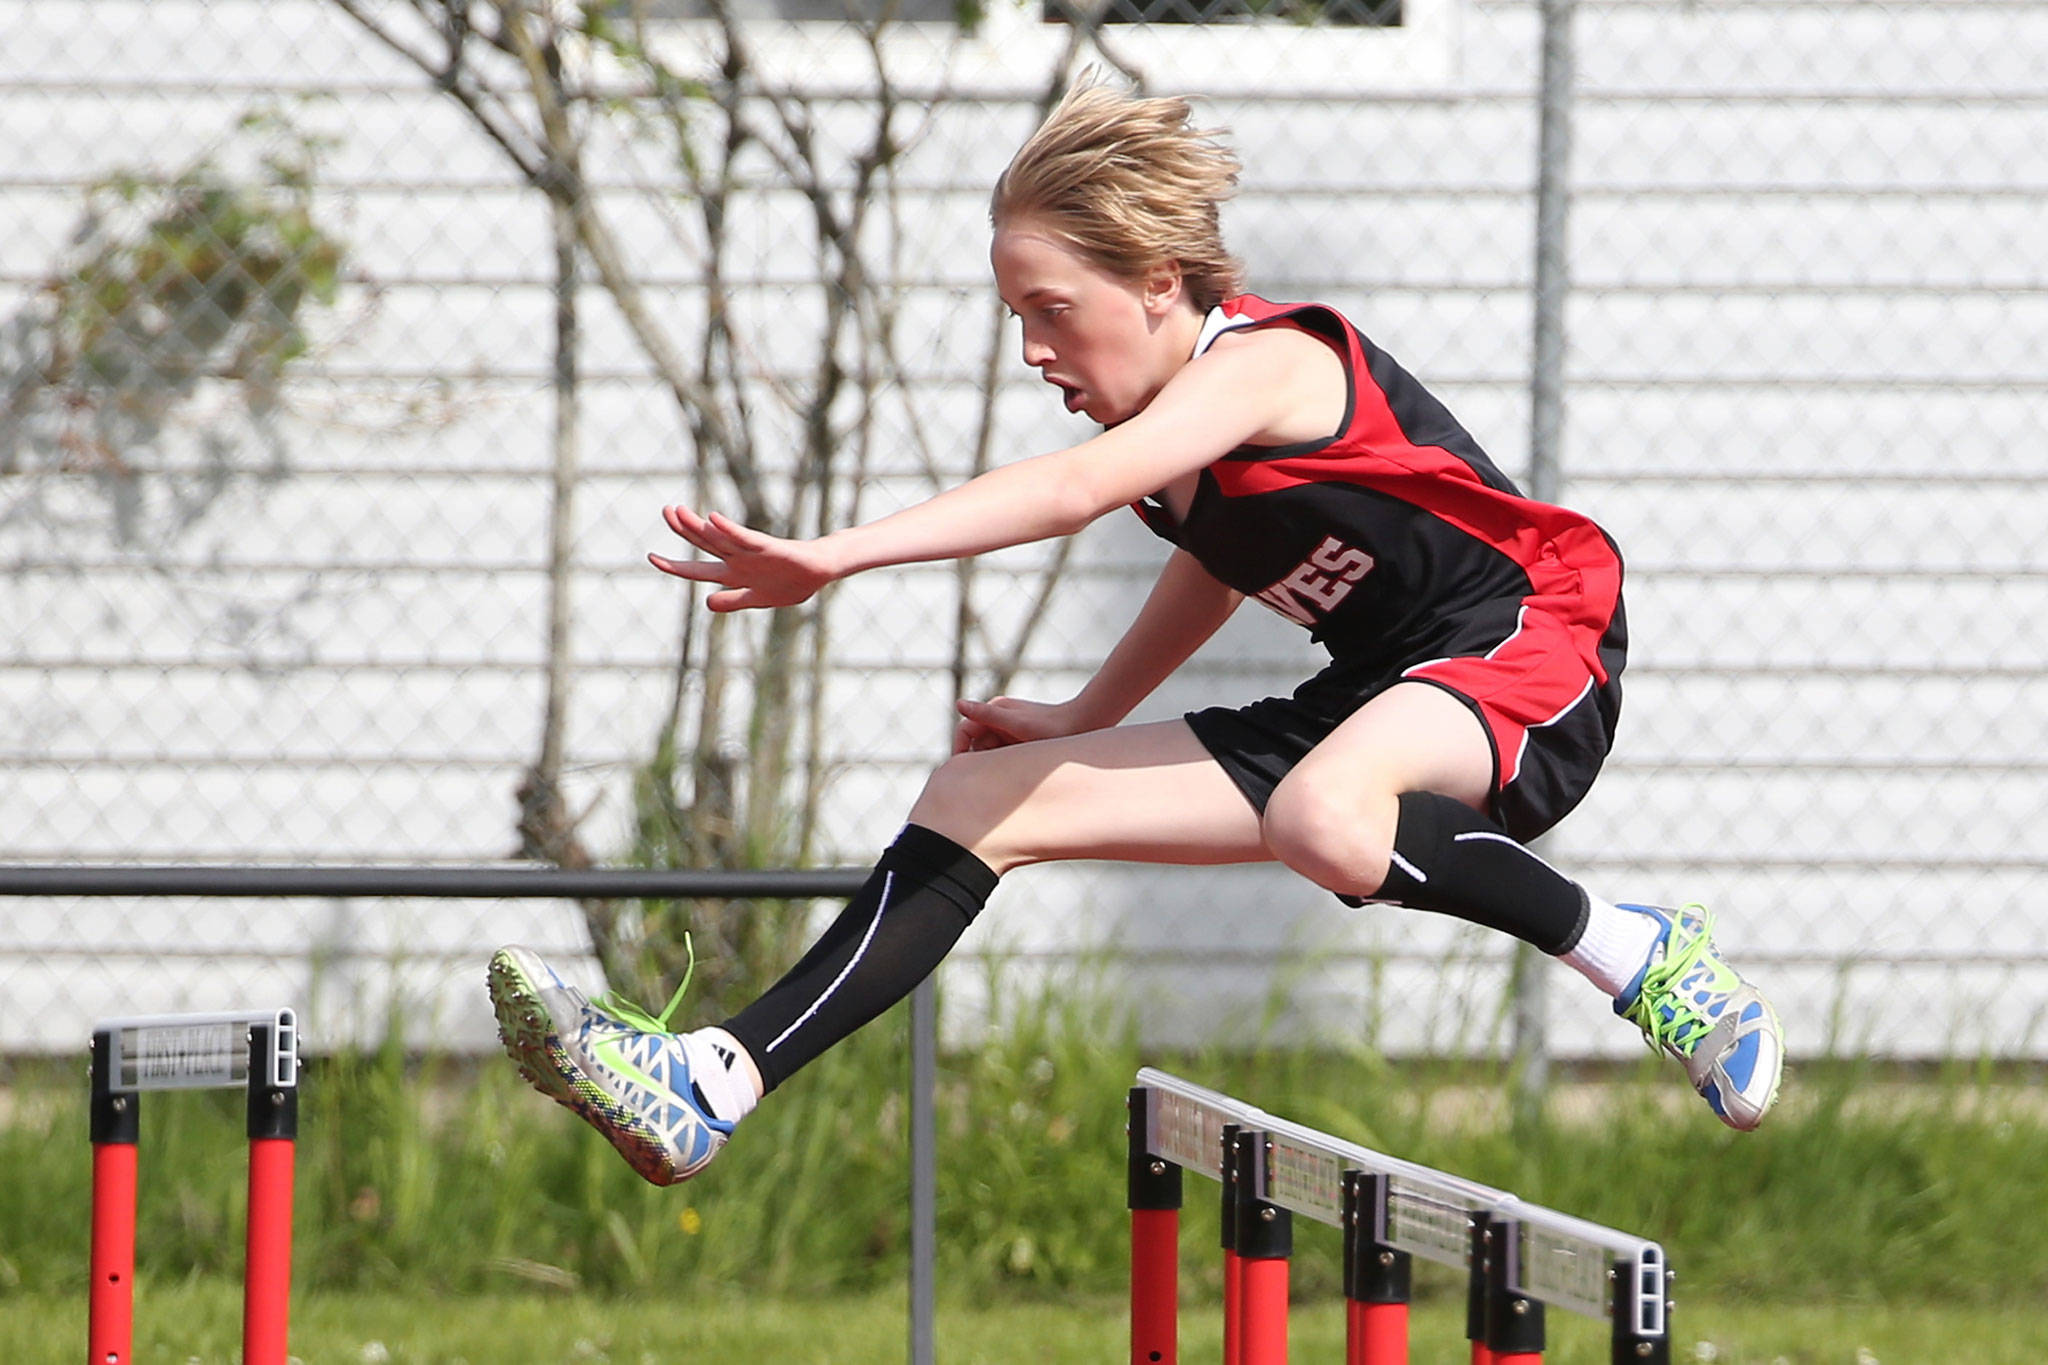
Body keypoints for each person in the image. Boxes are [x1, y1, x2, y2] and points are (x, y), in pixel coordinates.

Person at [487, 79, 1784, 1187]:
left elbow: (1067, 493)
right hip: (1384, 690)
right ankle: (712, 1080)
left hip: (1535, 625)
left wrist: (838, 551)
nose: (1035, 349)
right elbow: (1213, 566)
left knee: (1326, 816)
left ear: (1159, 282)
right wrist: (1081, 719)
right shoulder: (1170, 444)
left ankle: (1635, 948)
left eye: (1053, 309)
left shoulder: (1266, 363)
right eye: (1015, 319)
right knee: (982, 794)